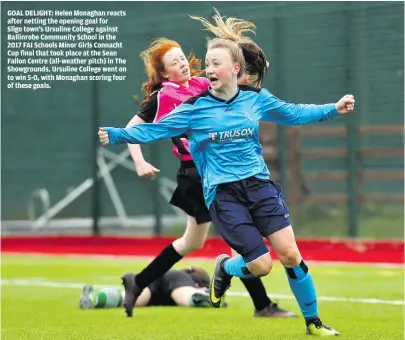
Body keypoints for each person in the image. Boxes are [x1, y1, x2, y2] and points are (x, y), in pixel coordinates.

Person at [99, 37, 355, 335]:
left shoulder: (254, 99)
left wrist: (334, 108)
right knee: (261, 266)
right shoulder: (194, 108)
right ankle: (226, 267)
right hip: (224, 195)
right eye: (207, 63)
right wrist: (116, 135)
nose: (207, 68)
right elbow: (153, 130)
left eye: (215, 63)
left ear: (235, 68)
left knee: (291, 256)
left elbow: (295, 113)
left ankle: (313, 323)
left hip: (260, 187)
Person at [119, 17, 296, 320]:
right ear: (164, 74)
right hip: (196, 175)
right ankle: (262, 305)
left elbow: (236, 82)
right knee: (236, 238)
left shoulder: (204, 84)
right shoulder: (162, 96)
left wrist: (248, 58)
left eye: (182, 58)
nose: (182, 65)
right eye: (174, 63)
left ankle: (140, 281)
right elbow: (131, 128)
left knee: (195, 241)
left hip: (216, 172)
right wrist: (139, 160)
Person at [79, 267, 218, 309]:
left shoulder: (181, 271)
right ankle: (198, 298)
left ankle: (94, 299)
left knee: (129, 297)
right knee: (183, 293)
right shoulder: (186, 277)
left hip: (152, 277)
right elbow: (191, 287)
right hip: (176, 281)